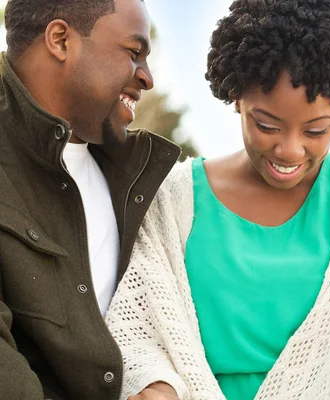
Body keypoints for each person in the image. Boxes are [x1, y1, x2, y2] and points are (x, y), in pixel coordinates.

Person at [106, 0, 330, 399]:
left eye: (316, 131)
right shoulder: (168, 201)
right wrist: (154, 384)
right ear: (236, 98)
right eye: (267, 125)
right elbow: (133, 330)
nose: (290, 151)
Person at [0, 0, 181, 399]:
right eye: (134, 54)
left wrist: (160, 382)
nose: (147, 78)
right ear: (61, 41)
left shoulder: (143, 183)